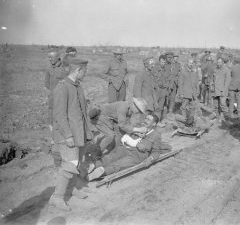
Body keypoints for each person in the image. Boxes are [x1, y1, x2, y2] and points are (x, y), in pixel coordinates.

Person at [48, 58, 93, 211]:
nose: (85, 74)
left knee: (77, 162)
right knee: (70, 164)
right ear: (78, 71)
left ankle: (72, 188)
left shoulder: (78, 86)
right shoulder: (62, 87)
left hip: (79, 133)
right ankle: (57, 197)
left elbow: (82, 112)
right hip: (67, 135)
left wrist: (88, 132)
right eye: (84, 71)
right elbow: (60, 115)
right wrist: (68, 136)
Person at [86, 113, 164, 180]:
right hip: (124, 148)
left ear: (154, 124)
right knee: (109, 158)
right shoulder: (138, 127)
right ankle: (90, 167)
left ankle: (100, 172)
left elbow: (156, 151)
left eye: (149, 120)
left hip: (137, 155)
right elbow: (125, 137)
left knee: (119, 164)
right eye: (146, 118)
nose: (145, 120)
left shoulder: (156, 135)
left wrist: (151, 159)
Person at [211, 57, 230, 121]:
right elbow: (213, 79)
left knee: (223, 105)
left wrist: (223, 90)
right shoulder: (215, 69)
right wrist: (212, 85)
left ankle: (226, 119)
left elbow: (227, 82)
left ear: (222, 62)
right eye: (217, 62)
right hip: (215, 90)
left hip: (222, 91)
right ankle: (217, 118)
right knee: (216, 105)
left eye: (219, 62)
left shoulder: (226, 70)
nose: (218, 63)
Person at [151, 55, 169, 120]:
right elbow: (151, 80)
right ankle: (152, 120)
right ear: (159, 61)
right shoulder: (154, 70)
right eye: (161, 62)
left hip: (163, 91)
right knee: (155, 106)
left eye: (164, 62)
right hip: (156, 91)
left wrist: (166, 90)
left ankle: (157, 120)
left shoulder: (166, 71)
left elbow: (167, 81)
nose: (163, 64)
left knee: (161, 106)